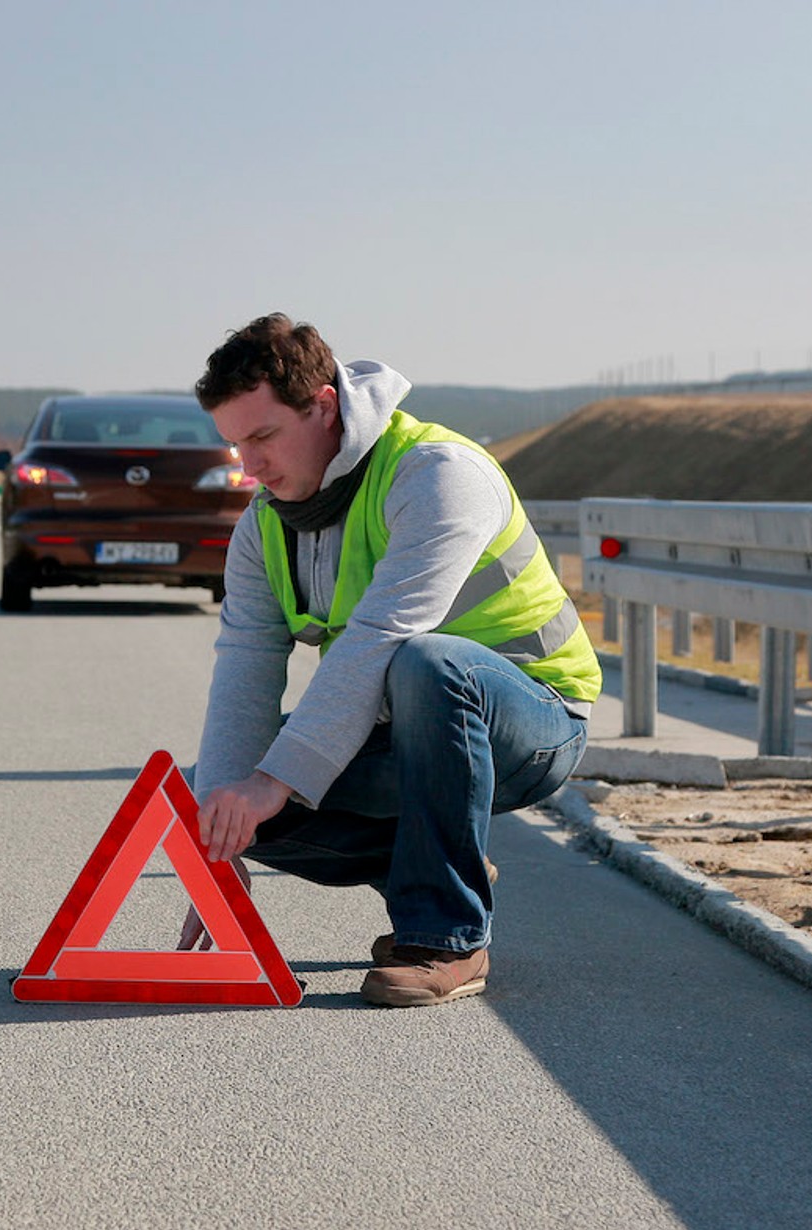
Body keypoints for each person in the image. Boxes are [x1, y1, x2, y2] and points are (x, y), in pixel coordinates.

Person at [177, 313, 600, 1007]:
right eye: (233, 445)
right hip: (407, 731)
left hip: (533, 719)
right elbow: (245, 667)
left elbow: (382, 637)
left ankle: (447, 939)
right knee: (215, 795)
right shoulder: (263, 526)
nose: (248, 467)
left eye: (262, 437)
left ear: (323, 405)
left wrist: (273, 780)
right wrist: (218, 847)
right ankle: (441, 862)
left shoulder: (436, 474)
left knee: (427, 663)